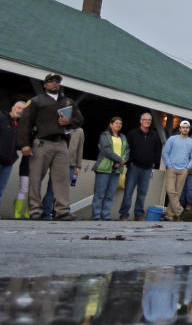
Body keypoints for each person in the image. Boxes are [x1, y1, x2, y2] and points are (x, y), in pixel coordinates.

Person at [17, 73, 84, 220]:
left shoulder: (67, 101)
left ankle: (62, 211)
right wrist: (24, 145)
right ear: (45, 84)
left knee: (62, 179)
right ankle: (35, 211)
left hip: (61, 143)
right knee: (35, 178)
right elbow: (25, 123)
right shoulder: (36, 101)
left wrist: (69, 122)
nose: (55, 84)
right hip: (42, 143)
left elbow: (79, 119)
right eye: (51, 81)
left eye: (57, 82)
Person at [119, 112, 162, 222]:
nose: (147, 121)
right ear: (141, 121)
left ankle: (139, 215)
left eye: (149, 120)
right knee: (128, 192)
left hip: (147, 169)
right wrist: (128, 163)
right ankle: (124, 215)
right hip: (134, 167)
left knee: (142, 194)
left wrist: (154, 163)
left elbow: (158, 151)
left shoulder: (155, 135)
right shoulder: (132, 134)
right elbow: (126, 149)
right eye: (145, 119)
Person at [91, 117, 128, 220]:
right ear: (111, 124)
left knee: (110, 194)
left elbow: (127, 150)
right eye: (116, 123)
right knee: (99, 194)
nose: (119, 125)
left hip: (117, 169)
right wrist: (119, 160)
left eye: (120, 123)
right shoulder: (105, 135)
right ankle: (96, 216)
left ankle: (106, 216)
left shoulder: (123, 137)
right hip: (104, 168)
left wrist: (124, 159)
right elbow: (106, 150)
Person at [161, 120, 192, 221]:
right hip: (171, 168)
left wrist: (187, 168)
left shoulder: (191, 142)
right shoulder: (172, 139)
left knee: (178, 192)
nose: (185, 129)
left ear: (189, 129)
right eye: (183, 127)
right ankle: (180, 210)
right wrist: (169, 165)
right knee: (170, 190)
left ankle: (169, 215)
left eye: (187, 127)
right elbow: (165, 153)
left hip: (183, 170)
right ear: (180, 128)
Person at [0, 102, 26, 212]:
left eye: (22, 109)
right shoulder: (2, 118)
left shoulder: (20, 126)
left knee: (0, 190)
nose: (20, 110)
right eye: (18, 107)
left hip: (8, 163)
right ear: (13, 107)